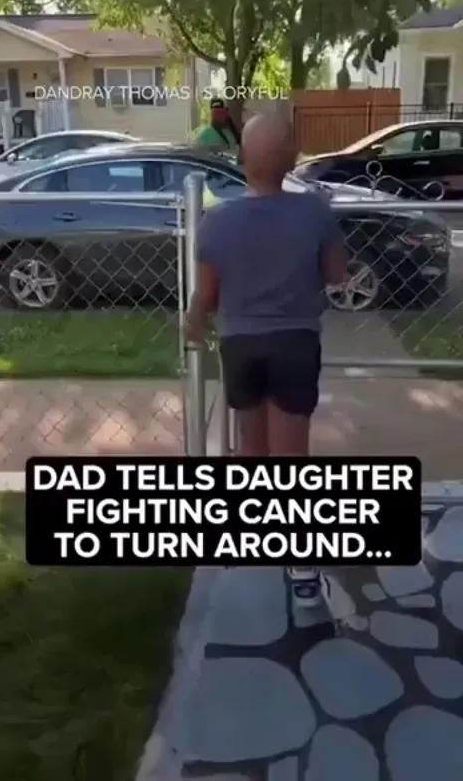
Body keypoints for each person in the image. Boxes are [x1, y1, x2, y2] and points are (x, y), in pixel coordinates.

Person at [185, 113, 348, 605]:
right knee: (291, 458)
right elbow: (337, 276)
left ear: (242, 160)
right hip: (295, 342)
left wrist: (193, 323)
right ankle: (301, 566)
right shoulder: (315, 212)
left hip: (240, 346)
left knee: (251, 448)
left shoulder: (217, 221)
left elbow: (205, 297)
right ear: (293, 160)